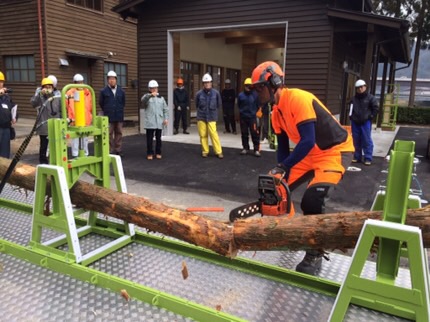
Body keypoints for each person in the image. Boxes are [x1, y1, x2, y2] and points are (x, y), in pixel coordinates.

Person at [251, 61, 354, 276]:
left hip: (333, 150)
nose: (258, 93)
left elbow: (307, 140)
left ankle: (315, 252)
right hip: (310, 153)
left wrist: (283, 166)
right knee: (278, 188)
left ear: (274, 82)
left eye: (260, 88)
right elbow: (282, 147)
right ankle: (288, 232)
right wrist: (281, 171)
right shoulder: (275, 112)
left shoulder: (298, 99)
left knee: (312, 201)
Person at [30, 77, 62, 164]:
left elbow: (62, 109)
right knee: (44, 146)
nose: (48, 89)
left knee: (56, 146)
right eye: (46, 87)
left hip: (56, 125)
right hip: (44, 126)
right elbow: (33, 103)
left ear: (53, 87)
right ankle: (43, 163)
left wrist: (62, 122)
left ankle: (56, 162)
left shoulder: (57, 95)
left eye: (50, 87)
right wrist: (39, 94)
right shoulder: (40, 97)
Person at [349, 79, 379, 166]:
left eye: (361, 87)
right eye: (358, 88)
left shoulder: (371, 98)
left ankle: (367, 157)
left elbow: (376, 108)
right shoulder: (353, 99)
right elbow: (350, 109)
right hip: (355, 122)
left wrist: (371, 116)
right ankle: (356, 156)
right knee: (356, 140)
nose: (360, 89)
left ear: (365, 87)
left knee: (366, 140)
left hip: (365, 122)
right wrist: (350, 116)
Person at [195, 73, 223, 159]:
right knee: (203, 135)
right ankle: (205, 151)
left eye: (208, 82)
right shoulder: (199, 94)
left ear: (211, 83)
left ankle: (218, 152)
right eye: (205, 82)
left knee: (213, 134)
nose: (207, 84)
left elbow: (219, 104)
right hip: (201, 116)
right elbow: (197, 104)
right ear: (203, 84)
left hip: (212, 117)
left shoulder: (216, 93)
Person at [99, 70, 126, 157]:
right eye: (110, 79)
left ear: (116, 80)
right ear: (107, 80)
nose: (112, 80)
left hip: (119, 115)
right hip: (109, 116)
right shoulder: (103, 91)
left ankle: (118, 150)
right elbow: (101, 103)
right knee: (109, 134)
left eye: (113, 79)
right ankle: (109, 150)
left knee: (119, 133)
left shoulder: (121, 91)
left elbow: (123, 102)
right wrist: (108, 110)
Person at [66, 74, 93, 157]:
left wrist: (89, 116)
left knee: (85, 138)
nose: (80, 84)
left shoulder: (88, 92)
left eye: (81, 82)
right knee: (75, 139)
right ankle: (75, 154)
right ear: (74, 82)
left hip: (85, 119)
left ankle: (85, 153)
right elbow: (66, 106)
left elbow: (90, 106)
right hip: (74, 119)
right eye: (78, 82)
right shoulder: (69, 93)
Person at [141, 80, 169, 160]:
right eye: (152, 88)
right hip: (150, 122)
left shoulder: (161, 98)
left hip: (159, 122)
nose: (154, 90)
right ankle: (149, 153)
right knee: (149, 139)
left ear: (157, 88)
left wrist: (166, 119)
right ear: (149, 89)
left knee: (158, 138)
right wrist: (150, 95)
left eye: (155, 88)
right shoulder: (147, 97)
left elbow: (165, 109)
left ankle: (158, 152)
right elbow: (143, 101)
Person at [237, 78, 260, 157]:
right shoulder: (241, 95)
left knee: (254, 133)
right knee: (244, 133)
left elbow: (258, 105)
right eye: (246, 86)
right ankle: (245, 148)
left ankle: (256, 149)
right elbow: (239, 105)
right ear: (244, 86)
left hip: (252, 117)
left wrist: (254, 112)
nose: (248, 87)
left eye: (249, 86)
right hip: (243, 117)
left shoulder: (255, 95)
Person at [0, 71, 17, 158]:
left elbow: (13, 107)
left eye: (1, 82)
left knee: (5, 153)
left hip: (6, 128)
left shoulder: (6, 97)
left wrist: (14, 117)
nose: (0, 84)